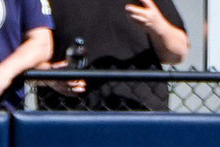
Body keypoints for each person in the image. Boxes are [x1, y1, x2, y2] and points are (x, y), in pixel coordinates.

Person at [38, 0, 187, 112]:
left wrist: (158, 26)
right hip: (69, 118)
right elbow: (26, 58)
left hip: (141, 111)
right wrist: (51, 78)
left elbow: (177, 54)